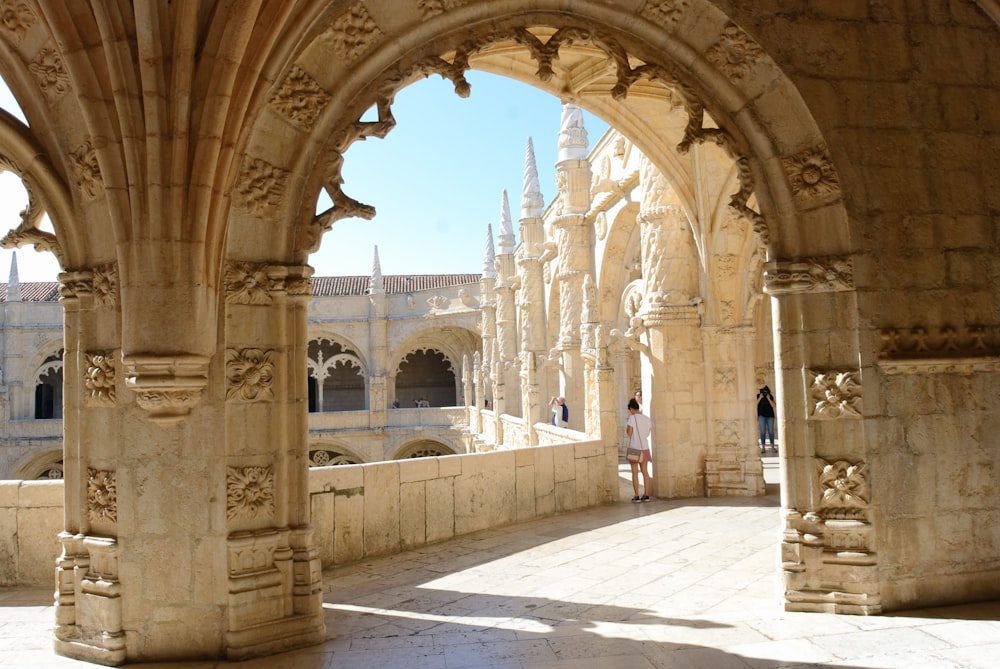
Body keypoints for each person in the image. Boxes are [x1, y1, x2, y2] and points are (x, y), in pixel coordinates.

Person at [625, 398, 652, 502]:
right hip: (644, 447)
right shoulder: (646, 418)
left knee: (634, 472)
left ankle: (636, 495)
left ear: (631, 409)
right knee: (645, 472)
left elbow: (629, 433)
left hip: (635, 448)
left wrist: (627, 428)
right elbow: (648, 433)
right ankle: (646, 494)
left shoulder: (632, 418)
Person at [756, 385, 777, 453]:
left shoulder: (770, 396)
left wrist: (768, 398)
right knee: (762, 432)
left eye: (766, 392)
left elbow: (774, 405)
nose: (765, 393)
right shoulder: (758, 395)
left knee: (771, 432)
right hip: (761, 416)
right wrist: (760, 398)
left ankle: (772, 447)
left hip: (770, 416)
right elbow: (754, 404)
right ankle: (763, 447)